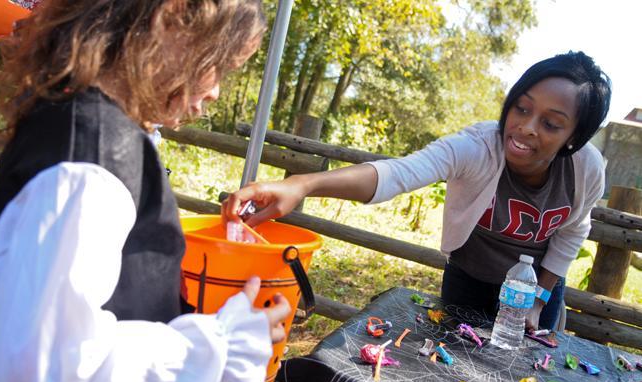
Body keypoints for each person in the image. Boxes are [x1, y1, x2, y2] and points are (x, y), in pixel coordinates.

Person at [0, 0, 291, 382]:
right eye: (217, 63)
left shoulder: (93, 131)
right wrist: (218, 348)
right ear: (171, 20)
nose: (217, 90)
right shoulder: (93, 153)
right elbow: (52, 368)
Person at [223, 51, 611, 332]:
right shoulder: (477, 147)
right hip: (468, 278)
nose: (527, 127)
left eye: (551, 123)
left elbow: (573, 229)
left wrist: (538, 299)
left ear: (574, 136)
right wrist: (302, 184)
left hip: (535, 286)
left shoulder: (585, 169)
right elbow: (398, 173)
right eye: (522, 109)